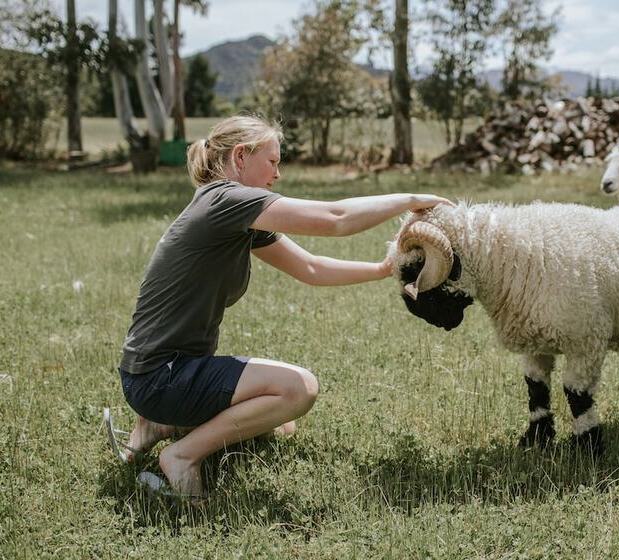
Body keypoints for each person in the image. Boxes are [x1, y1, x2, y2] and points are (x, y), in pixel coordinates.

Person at [106, 115, 452, 499]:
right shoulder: (225, 200)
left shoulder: (233, 215)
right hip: (160, 377)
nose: (278, 173)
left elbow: (310, 268)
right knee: (298, 390)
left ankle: (157, 425)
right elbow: (334, 218)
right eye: (272, 162)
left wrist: (383, 269)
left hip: (161, 375)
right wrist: (410, 200)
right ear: (240, 157)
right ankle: (182, 456)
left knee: (278, 425)